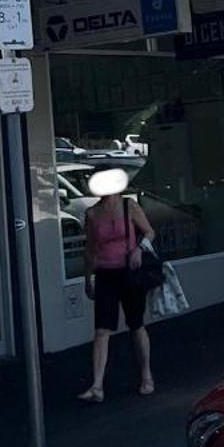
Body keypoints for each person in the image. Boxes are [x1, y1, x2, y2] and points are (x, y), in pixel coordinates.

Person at [79, 166, 155, 402]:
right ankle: (97, 386)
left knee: (136, 324)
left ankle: (146, 375)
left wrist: (139, 250)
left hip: (129, 272)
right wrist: (88, 277)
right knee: (102, 330)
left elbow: (149, 232)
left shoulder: (128, 206)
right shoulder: (92, 213)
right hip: (105, 274)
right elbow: (90, 249)